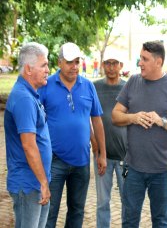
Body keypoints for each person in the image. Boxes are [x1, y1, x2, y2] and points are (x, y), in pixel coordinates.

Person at [112, 41, 167, 227]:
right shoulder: (133, 81)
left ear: (158, 62)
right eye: (140, 58)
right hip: (133, 170)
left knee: (160, 222)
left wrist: (161, 121)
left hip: (162, 171)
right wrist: (133, 118)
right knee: (129, 221)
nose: (140, 63)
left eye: (145, 59)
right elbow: (115, 116)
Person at [38, 42, 107, 228]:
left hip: (82, 162)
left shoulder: (88, 86)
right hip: (54, 161)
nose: (74, 66)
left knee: (77, 210)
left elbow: (97, 121)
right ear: (60, 62)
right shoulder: (46, 85)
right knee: (50, 212)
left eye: (77, 62)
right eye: (69, 62)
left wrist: (102, 153)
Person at [4, 42, 52, 228]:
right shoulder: (24, 98)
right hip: (29, 183)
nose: (48, 69)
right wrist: (43, 182)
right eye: (44, 65)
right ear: (29, 69)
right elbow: (28, 145)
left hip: (35, 182)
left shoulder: (30, 94)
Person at [91, 51, 128, 228]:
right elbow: (87, 118)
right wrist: (95, 145)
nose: (111, 67)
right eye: (108, 63)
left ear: (121, 65)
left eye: (115, 63)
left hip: (125, 157)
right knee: (102, 202)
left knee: (127, 201)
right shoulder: (94, 87)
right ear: (103, 65)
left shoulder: (129, 88)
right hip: (101, 157)